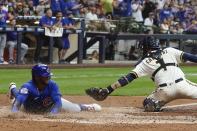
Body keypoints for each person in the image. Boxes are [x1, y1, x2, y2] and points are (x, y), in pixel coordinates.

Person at [86, 36, 197, 112]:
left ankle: (154, 104)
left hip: (165, 92)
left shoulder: (144, 62)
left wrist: (108, 89)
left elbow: (127, 78)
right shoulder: (170, 50)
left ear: (146, 48)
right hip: (184, 86)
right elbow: (192, 58)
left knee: (146, 102)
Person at [8, 64, 101, 114]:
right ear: (37, 77)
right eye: (45, 76)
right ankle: (13, 88)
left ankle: (87, 107)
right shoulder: (27, 87)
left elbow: (58, 103)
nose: (48, 78)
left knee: (74, 109)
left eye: (48, 76)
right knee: (17, 98)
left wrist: (53, 114)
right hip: (29, 106)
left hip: (49, 106)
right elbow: (18, 103)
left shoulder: (53, 85)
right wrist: (14, 114)